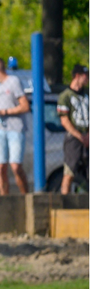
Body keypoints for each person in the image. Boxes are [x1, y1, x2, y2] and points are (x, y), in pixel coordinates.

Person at [0, 57, 30, 195]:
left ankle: (25, 196)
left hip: (15, 129)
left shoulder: (13, 82)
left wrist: (3, 112)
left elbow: (25, 106)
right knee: (1, 167)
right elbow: (1, 107)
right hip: (0, 129)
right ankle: (4, 199)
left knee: (15, 166)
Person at [57, 63, 89, 194]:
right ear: (77, 76)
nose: (87, 79)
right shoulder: (66, 96)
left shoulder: (87, 94)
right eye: (85, 76)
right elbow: (64, 120)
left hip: (88, 135)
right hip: (74, 138)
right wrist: (80, 136)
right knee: (69, 171)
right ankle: (65, 200)